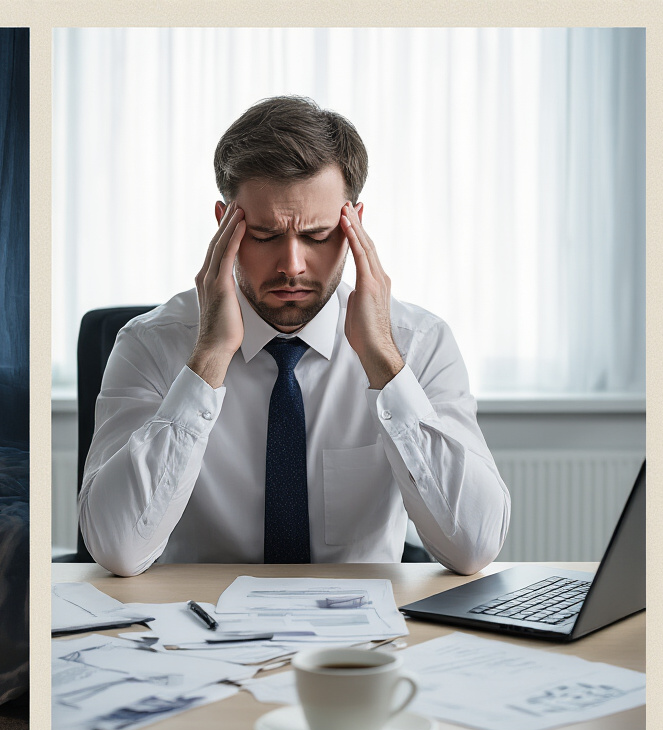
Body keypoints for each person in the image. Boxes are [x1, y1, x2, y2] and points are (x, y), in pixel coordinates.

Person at [79, 96, 510, 577]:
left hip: (359, 640)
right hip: (196, 628)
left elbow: (474, 547)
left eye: (318, 236)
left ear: (354, 225)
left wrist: (385, 364)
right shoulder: (148, 344)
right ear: (224, 223)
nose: (292, 265)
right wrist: (208, 359)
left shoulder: (420, 343)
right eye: (263, 236)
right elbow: (116, 549)